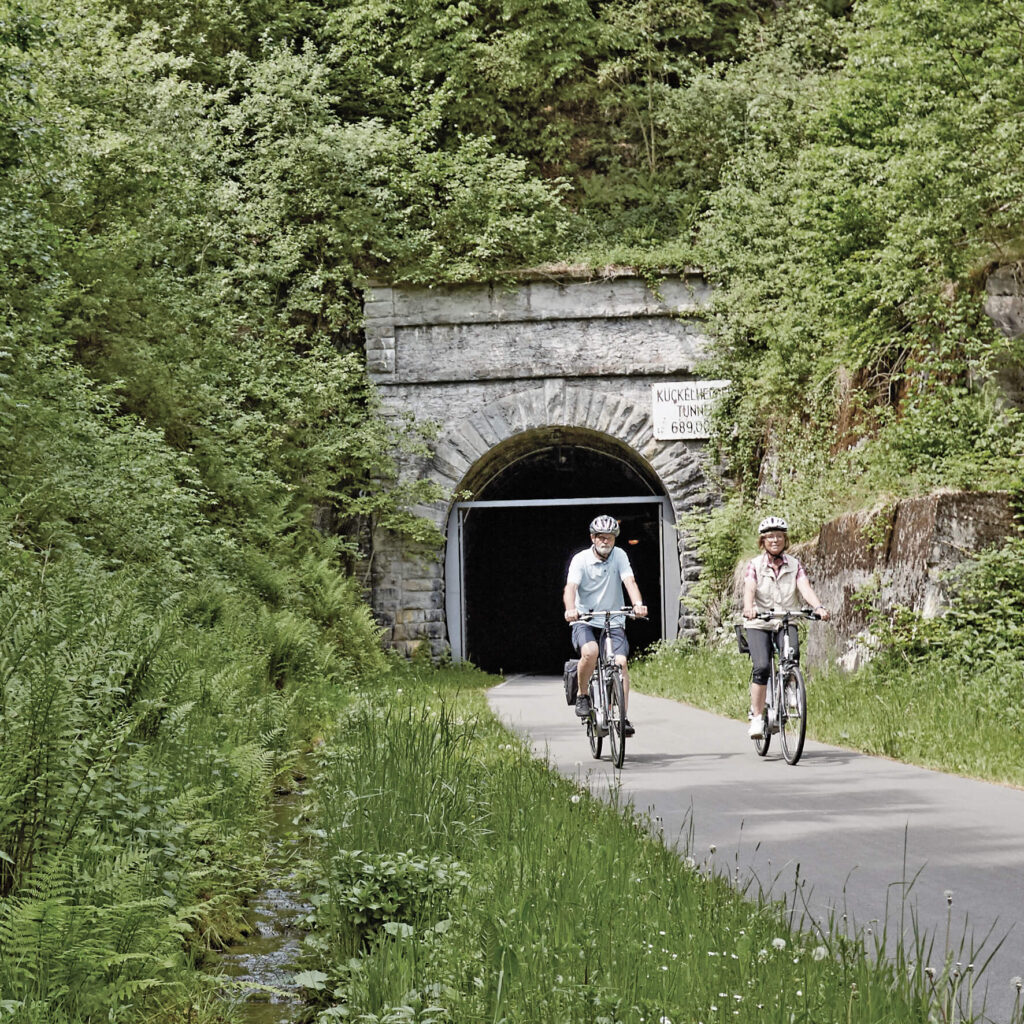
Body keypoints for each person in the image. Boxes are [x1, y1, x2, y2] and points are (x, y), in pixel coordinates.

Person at [742, 516, 830, 739]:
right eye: (770, 536)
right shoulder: (754, 565)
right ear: (763, 541)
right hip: (760, 621)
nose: (775, 540)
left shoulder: (794, 564)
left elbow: (805, 587)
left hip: (785, 619)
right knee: (761, 667)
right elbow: (750, 588)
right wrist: (749, 607)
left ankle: (790, 690)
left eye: (779, 536)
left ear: (785, 539)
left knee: (792, 656)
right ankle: (757, 716)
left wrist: (817, 606)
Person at [563, 514, 648, 736]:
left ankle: (622, 718)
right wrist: (571, 609)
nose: (605, 542)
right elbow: (570, 588)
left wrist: (638, 604)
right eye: (601, 537)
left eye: (610, 538)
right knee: (590, 652)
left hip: (613, 618)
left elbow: (629, 581)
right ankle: (583, 695)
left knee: (620, 663)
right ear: (593, 538)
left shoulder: (619, 555)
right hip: (586, 619)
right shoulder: (580, 560)